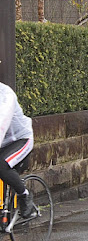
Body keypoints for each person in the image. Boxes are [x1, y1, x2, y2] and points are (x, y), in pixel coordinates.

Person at [0, 82, 35, 218]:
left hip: (20, 139)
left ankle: (24, 195)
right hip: (2, 144)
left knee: (2, 165)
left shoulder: (5, 95)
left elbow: (1, 124)